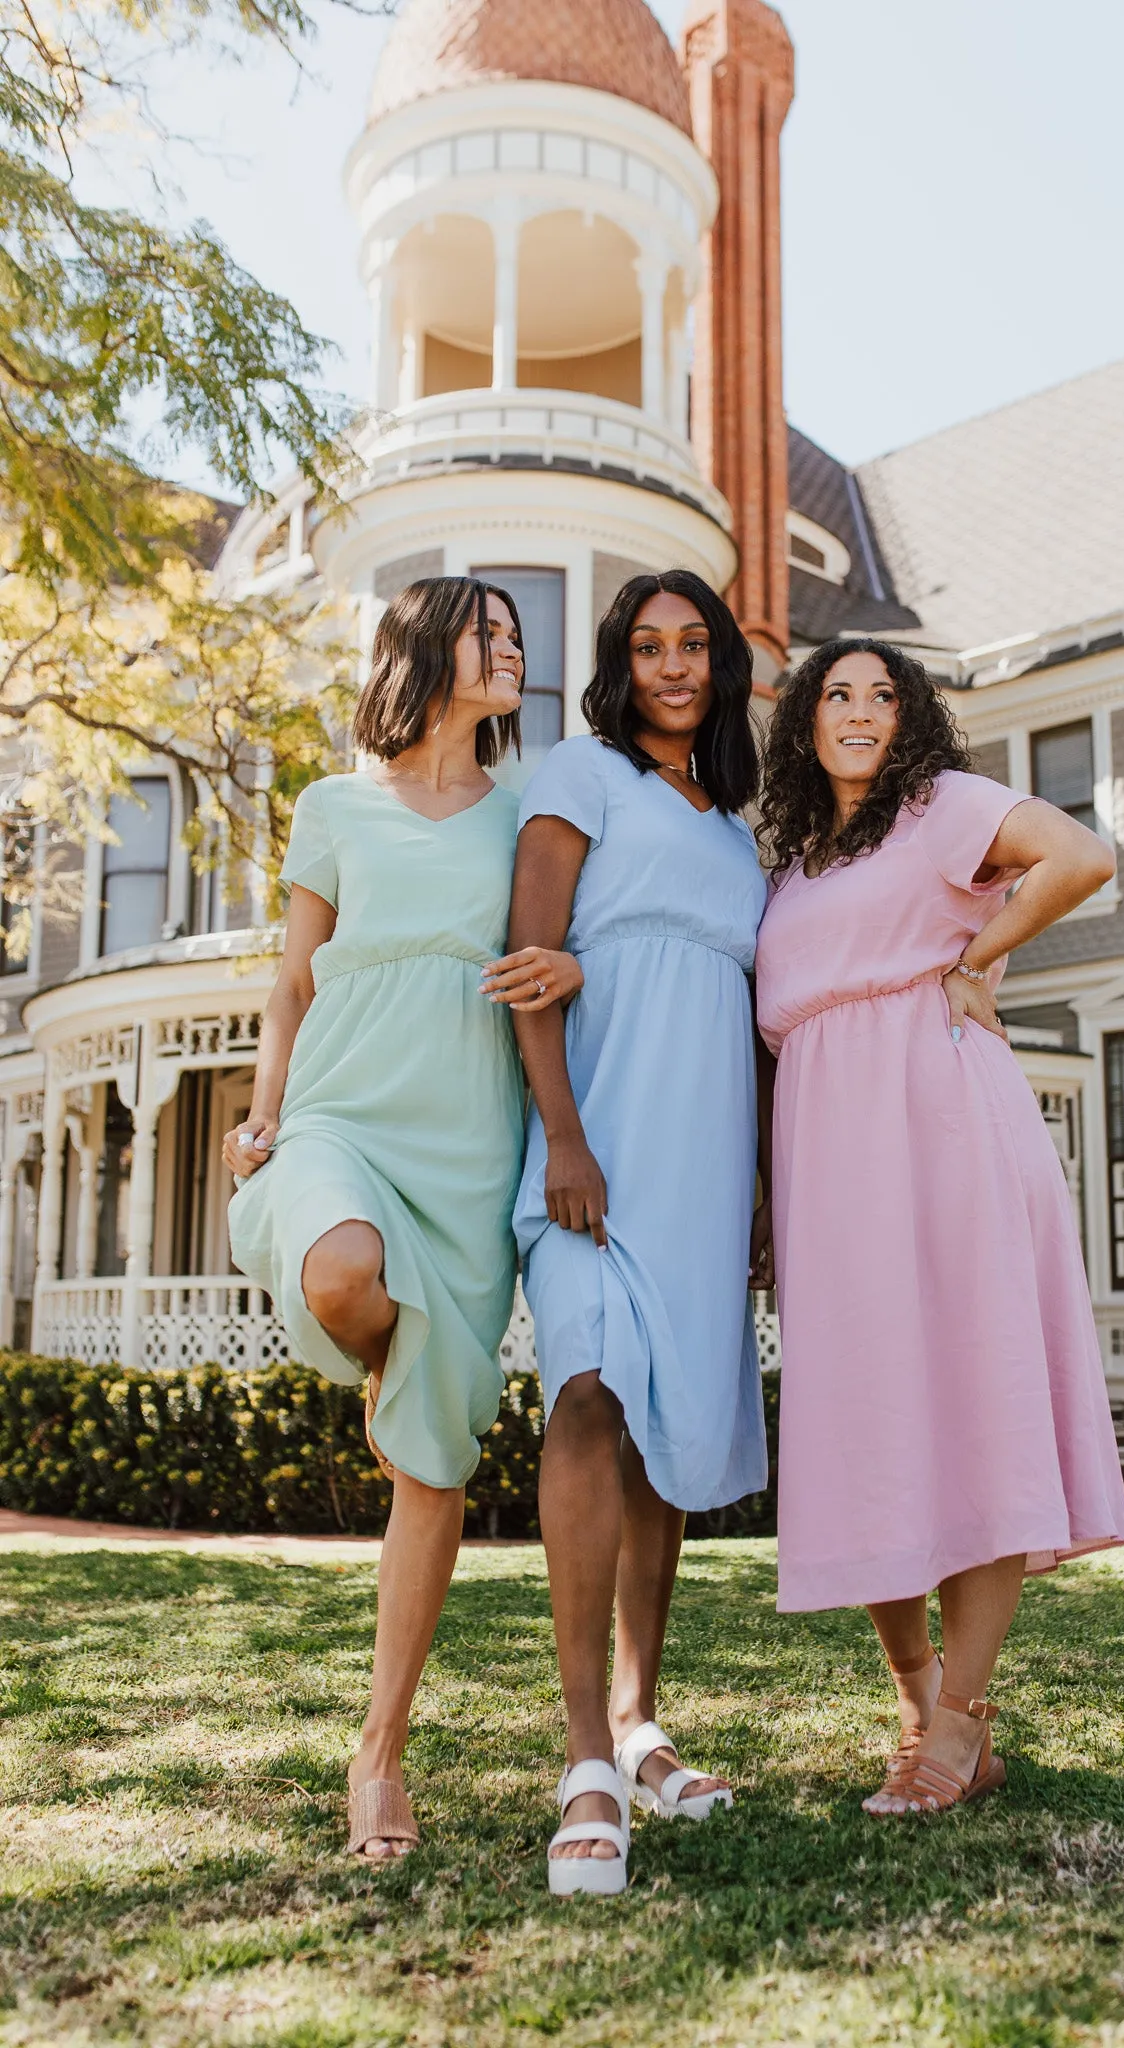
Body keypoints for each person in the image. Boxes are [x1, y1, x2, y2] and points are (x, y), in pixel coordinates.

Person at [224, 577, 581, 1860]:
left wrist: (573, 964)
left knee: (432, 1467)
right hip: (342, 1116)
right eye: (489, 632)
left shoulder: (529, 810)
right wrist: (265, 1117)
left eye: (515, 638)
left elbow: (570, 948)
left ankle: (380, 1756)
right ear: (428, 648)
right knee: (339, 1273)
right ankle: (390, 1363)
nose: (511, 650)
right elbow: (288, 984)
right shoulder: (332, 805)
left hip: (471, 1149)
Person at [755, 637, 1124, 1820]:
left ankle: (961, 1725)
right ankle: (923, 1704)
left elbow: (1081, 853)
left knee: (971, 1415)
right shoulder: (793, 863)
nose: (859, 711)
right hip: (830, 1165)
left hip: (945, 1129)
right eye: (836, 695)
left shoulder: (941, 805)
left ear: (908, 716)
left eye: (882, 694)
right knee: (867, 1425)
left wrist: (980, 953)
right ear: (806, 721)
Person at [509, 569, 770, 1896]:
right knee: (591, 1391)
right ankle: (582, 1760)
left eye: (694, 645)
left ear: (721, 664)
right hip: (595, 1149)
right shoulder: (583, 770)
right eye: (647, 644)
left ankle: (641, 1719)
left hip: (705, 1160)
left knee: (664, 1440)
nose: (672, 664)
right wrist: (562, 1137)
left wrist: (768, 1194)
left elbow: (748, 1004)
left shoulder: (734, 823)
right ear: (622, 660)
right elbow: (527, 961)